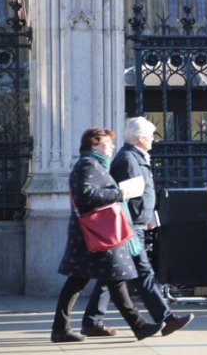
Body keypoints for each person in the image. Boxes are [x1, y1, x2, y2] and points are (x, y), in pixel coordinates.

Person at [80, 117, 194, 337]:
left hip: (135, 224)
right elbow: (122, 195)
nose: (153, 139)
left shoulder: (137, 157)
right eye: (151, 135)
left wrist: (149, 215)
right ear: (140, 138)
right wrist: (136, 218)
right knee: (143, 272)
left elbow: (141, 192)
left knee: (111, 275)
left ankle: (92, 321)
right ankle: (166, 318)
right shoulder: (128, 160)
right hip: (128, 227)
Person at [51, 127, 164, 343]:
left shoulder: (95, 164)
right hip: (94, 233)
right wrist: (119, 194)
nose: (112, 146)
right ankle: (137, 326)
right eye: (107, 142)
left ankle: (62, 328)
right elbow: (86, 194)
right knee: (101, 279)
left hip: (97, 233)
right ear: (94, 144)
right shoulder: (88, 164)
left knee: (107, 279)